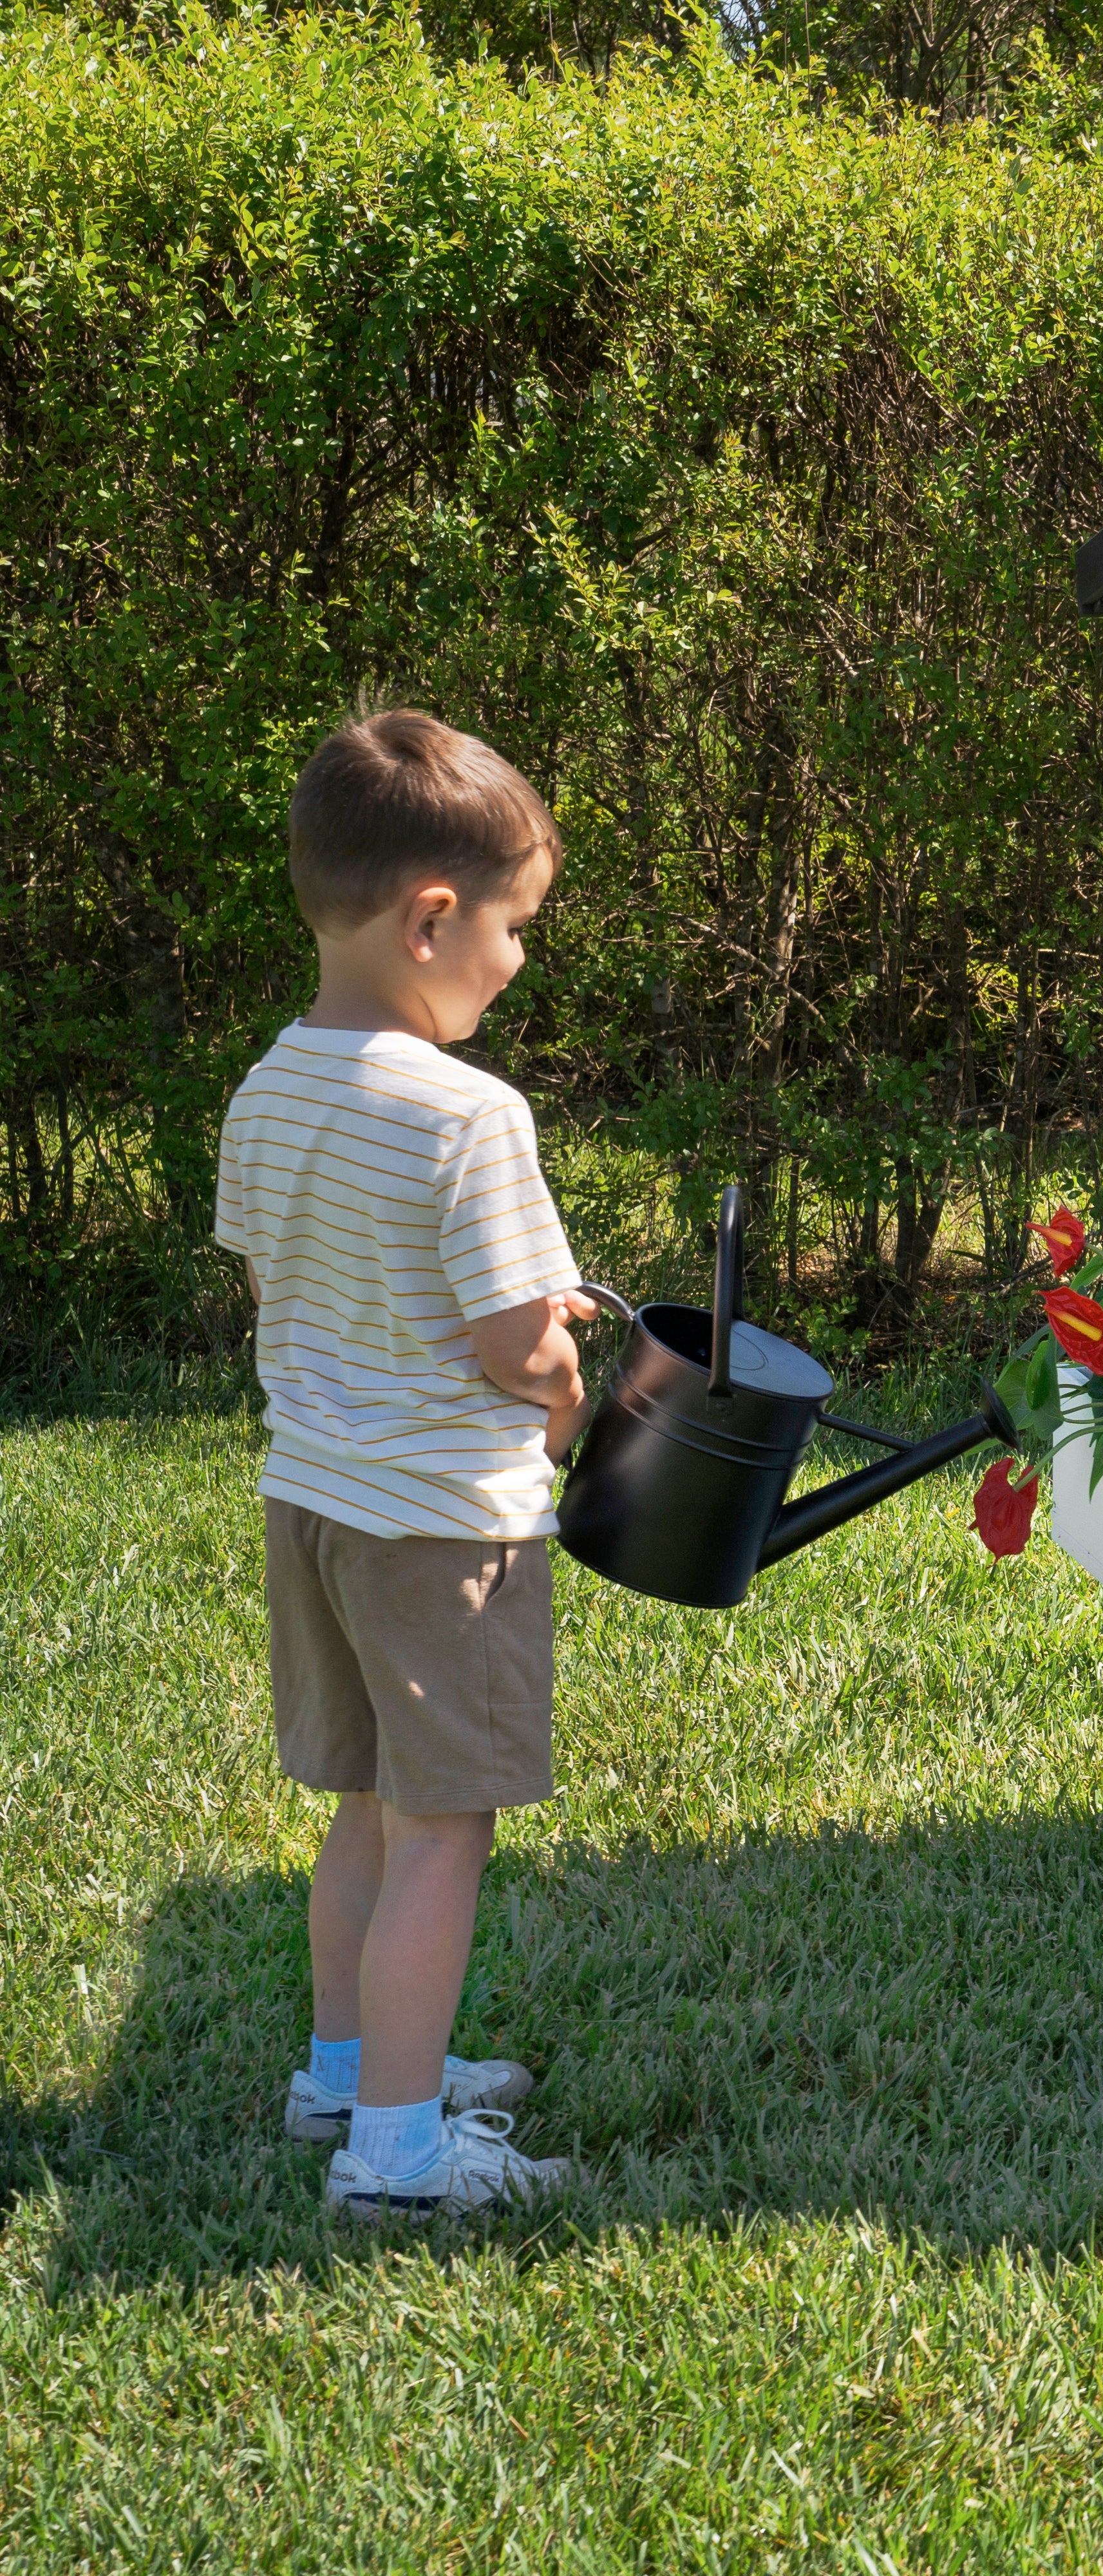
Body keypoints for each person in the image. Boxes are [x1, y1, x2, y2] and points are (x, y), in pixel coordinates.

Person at [214, 709, 594, 2221]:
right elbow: (519, 1349)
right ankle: (401, 2152)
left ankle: (345, 2066)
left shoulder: (270, 1085)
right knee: (445, 1829)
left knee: (368, 1800)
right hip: (442, 1526)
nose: (514, 962)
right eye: (512, 929)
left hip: (312, 1499)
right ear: (433, 917)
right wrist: (567, 1392)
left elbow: (302, 1279)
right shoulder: (468, 1114)